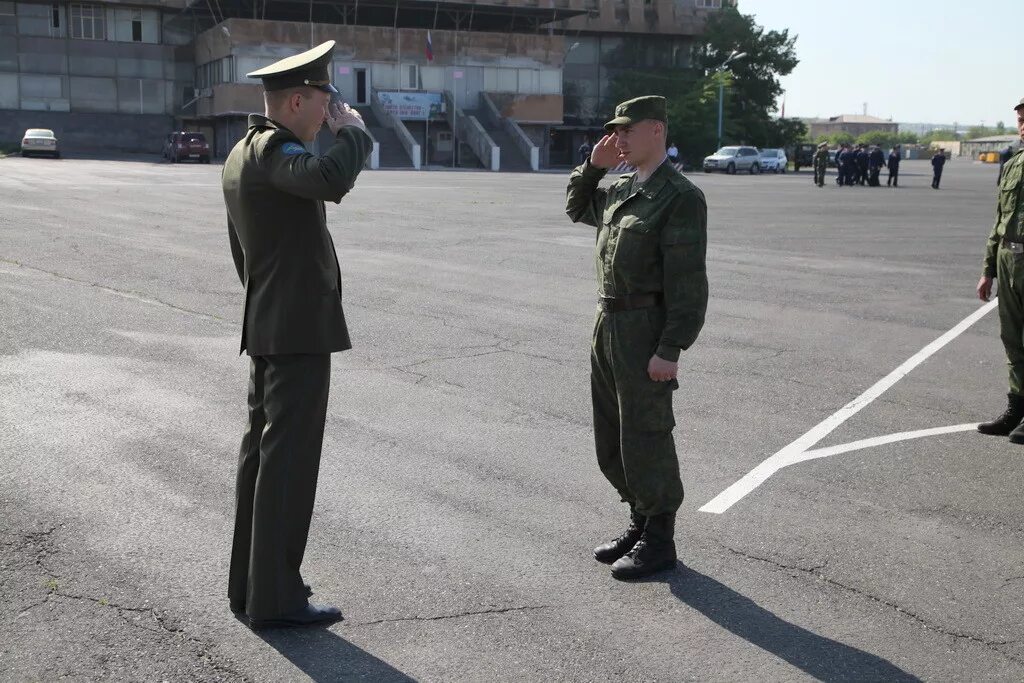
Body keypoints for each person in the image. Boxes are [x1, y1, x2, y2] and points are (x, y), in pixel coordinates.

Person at [222, 40, 373, 629]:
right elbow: (331, 178)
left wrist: (267, 306)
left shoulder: (242, 152)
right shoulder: (273, 150)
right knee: (286, 466)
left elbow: (243, 253)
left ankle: (253, 589)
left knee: (262, 461)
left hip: (271, 325)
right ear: (296, 100)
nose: (331, 113)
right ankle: (277, 597)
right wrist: (354, 133)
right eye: (325, 103)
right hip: (295, 333)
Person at [565, 96, 708, 581]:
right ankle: (639, 518)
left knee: (646, 432)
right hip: (608, 324)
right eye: (615, 132)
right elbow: (576, 207)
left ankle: (660, 538)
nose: (619, 139)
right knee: (612, 432)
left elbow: (688, 282)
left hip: (646, 328)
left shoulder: (680, 196)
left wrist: (670, 348)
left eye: (627, 131)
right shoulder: (623, 189)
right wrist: (591, 166)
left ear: (656, 131)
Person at [977, 97, 1024, 442]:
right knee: (1012, 338)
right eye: (1021, 120)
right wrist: (988, 269)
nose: (1023, 125)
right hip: (1009, 260)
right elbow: (999, 222)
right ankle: (1017, 408)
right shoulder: (1012, 165)